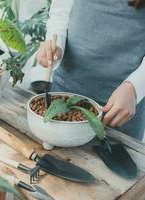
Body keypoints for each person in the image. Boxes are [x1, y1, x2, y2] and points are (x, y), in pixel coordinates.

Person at [37, 0, 145, 140]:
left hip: (121, 106)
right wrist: (55, 46)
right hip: (67, 88)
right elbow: (61, 13)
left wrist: (135, 88)